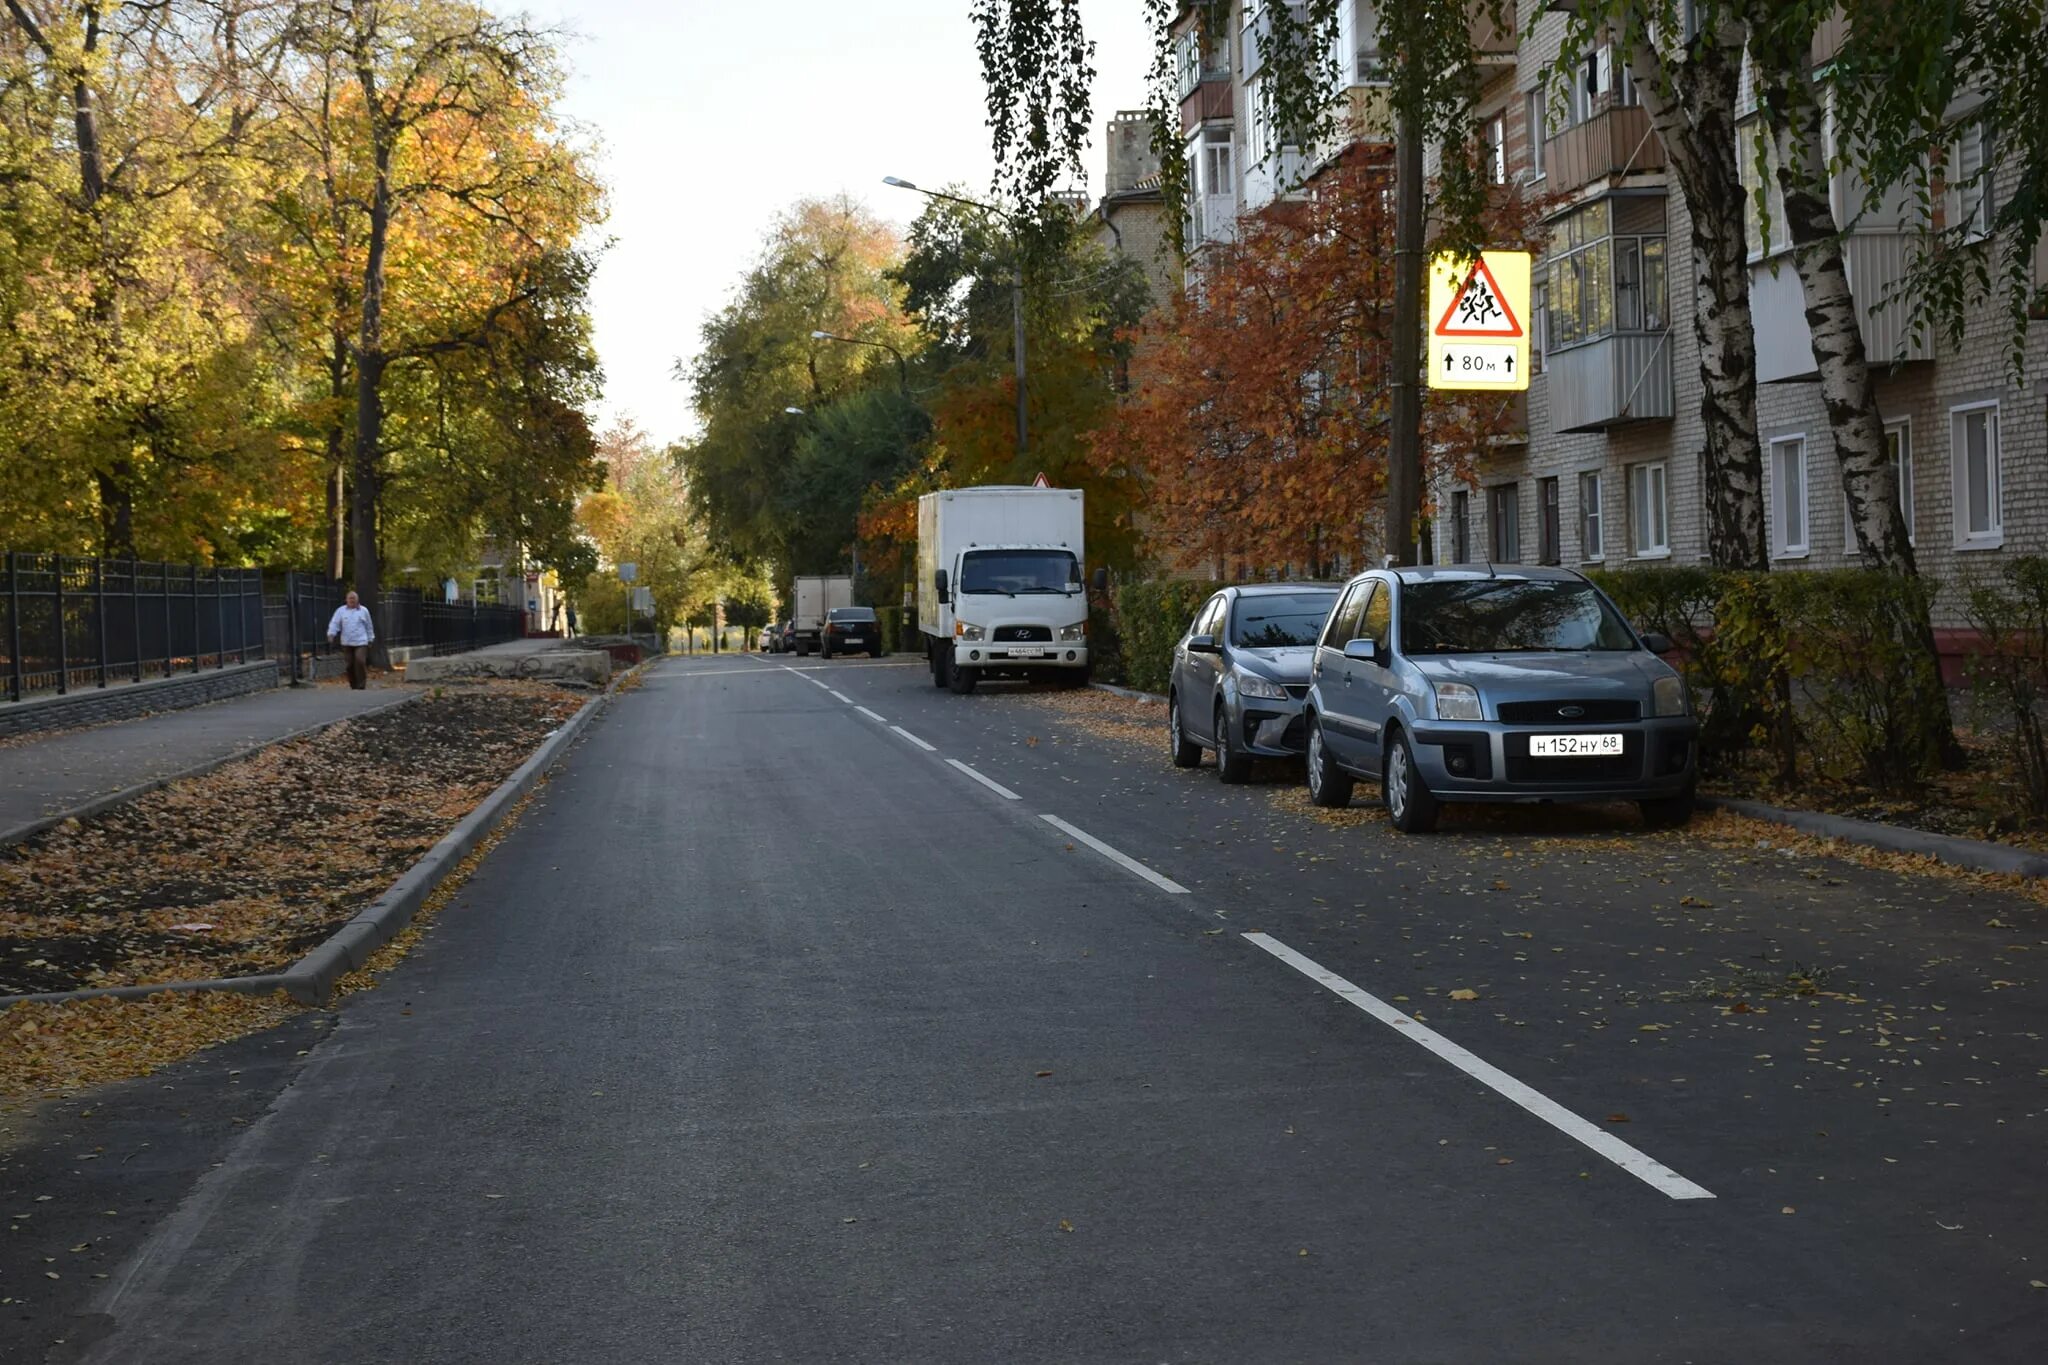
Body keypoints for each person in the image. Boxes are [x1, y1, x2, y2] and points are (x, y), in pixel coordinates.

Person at [327, 590, 375, 690]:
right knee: (349, 665)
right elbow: (335, 623)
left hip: (361, 641)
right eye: (350, 598)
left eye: (354, 598)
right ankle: (353, 685)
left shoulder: (363, 611)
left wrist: (370, 638)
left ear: (357, 600)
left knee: (360, 660)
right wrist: (331, 633)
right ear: (346, 600)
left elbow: (369, 626)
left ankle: (361, 685)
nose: (352, 600)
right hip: (347, 642)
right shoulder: (341, 611)